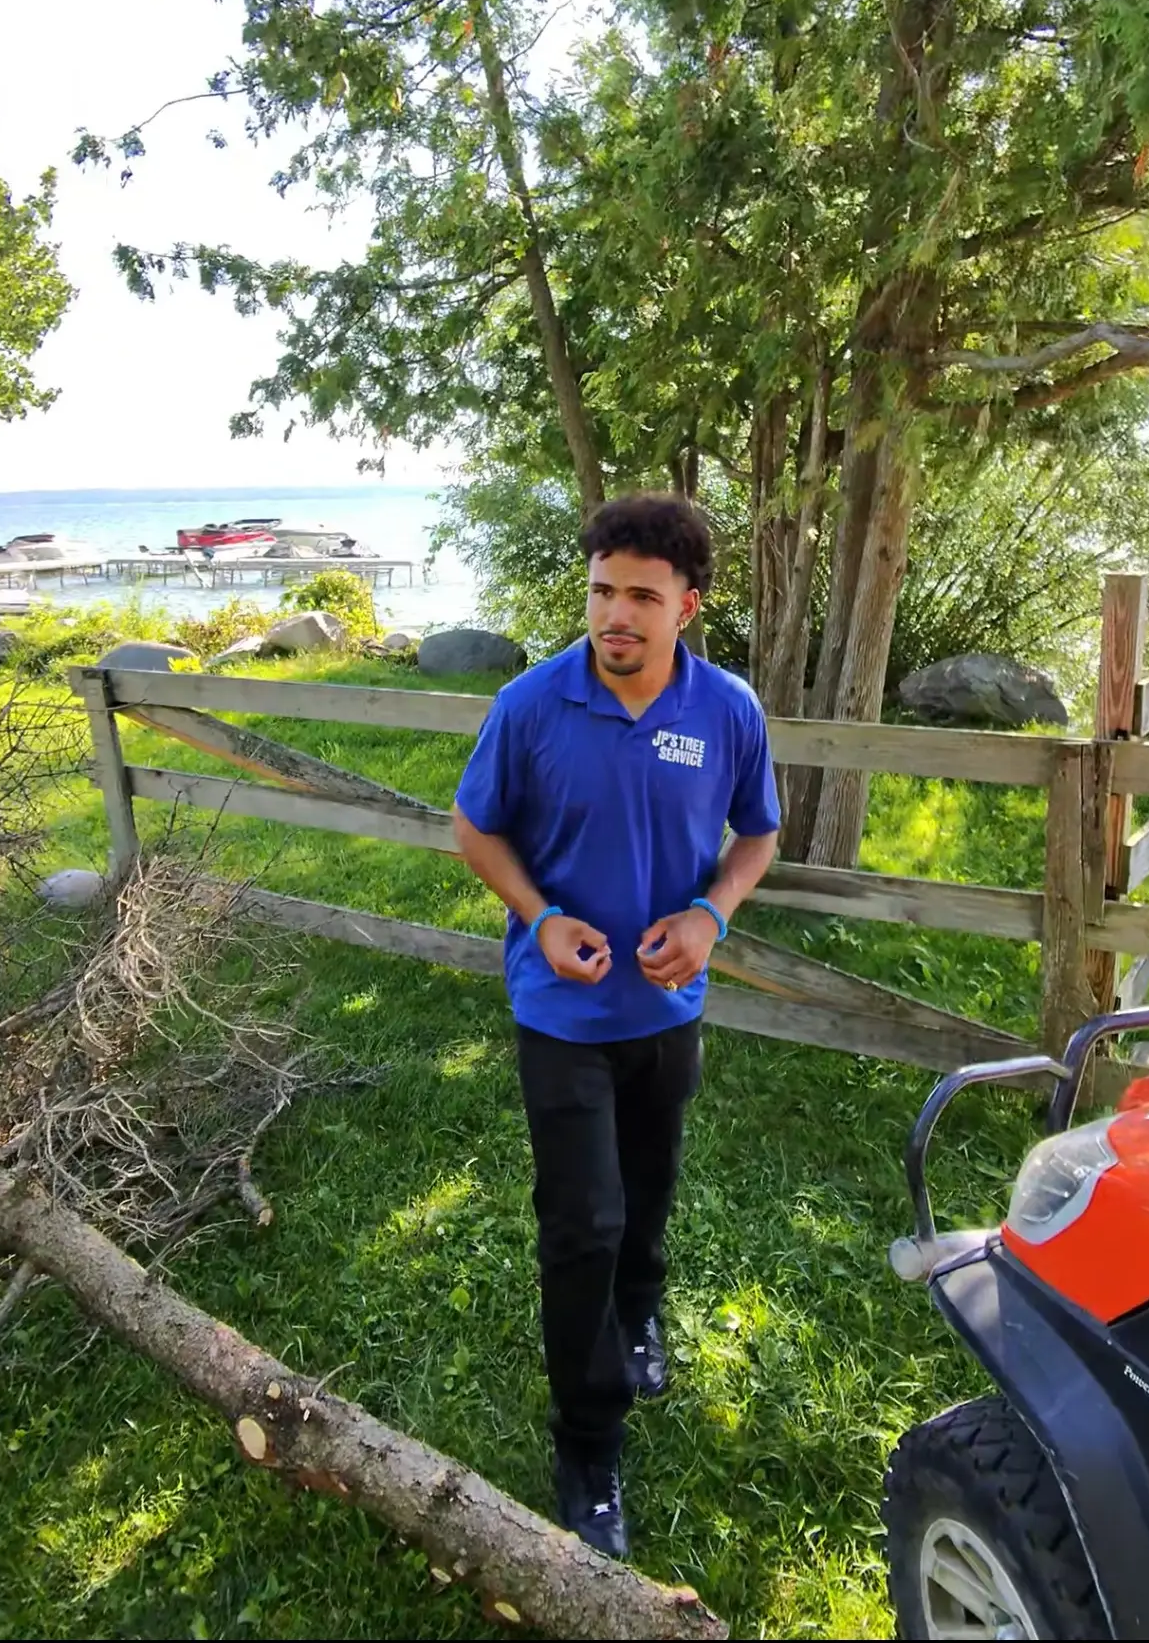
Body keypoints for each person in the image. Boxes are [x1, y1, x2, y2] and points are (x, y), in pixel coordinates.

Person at [453, 493, 780, 1558]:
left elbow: (756, 837)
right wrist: (539, 918)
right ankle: (587, 1446)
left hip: (667, 1009)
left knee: (650, 1184)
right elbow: (474, 827)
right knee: (581, 1220)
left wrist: (711, 913)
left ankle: (641, 1312)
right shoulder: (530, 705)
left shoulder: (726, 709)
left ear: (689, 604)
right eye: (602, 591)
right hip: (561, 1010)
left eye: (642, 595)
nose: (615, 615)